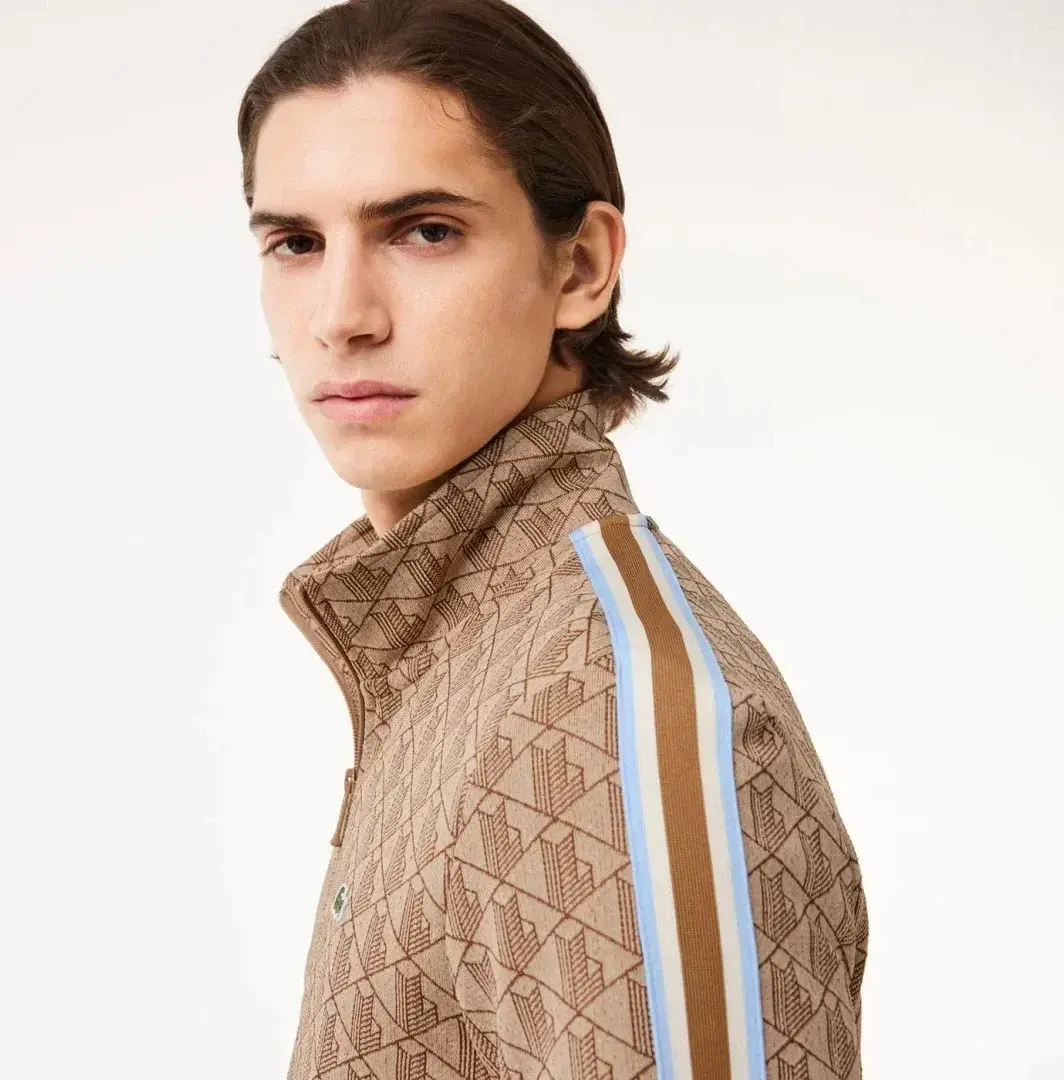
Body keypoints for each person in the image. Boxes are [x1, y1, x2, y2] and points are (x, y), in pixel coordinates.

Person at [238, 1, 869, 1077]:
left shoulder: (612, 701)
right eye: (297, 243)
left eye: (425, 231)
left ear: (580, 265)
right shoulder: (466, 655)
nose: (341, 315)